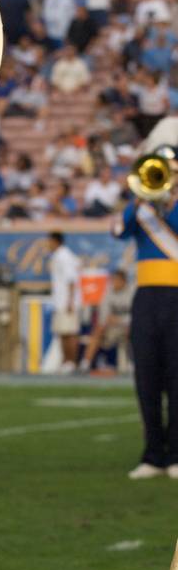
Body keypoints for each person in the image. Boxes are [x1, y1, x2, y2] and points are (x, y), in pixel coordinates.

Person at [113, 193, 178, 479]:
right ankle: (153, 455)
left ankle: (176, 455)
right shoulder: (142, 210)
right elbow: (118, 230)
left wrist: (170, 206)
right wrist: (138, 201)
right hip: (147, 298)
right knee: (147, 378)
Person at [79, 268, 133, 372]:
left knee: (132, 329)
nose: (115, 283)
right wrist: (105, 323)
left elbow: (137, 316)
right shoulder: (108, 292)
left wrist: (119, 320)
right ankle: (85, 363)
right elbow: (104, 316)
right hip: (112, 328)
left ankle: (131, 362)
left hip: (127, 327)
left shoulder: (132, 292)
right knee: (97, 330)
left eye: (117, 280)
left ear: (124, 281)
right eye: (114, 280)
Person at [47, 231, 82, 373]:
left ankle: (71, 362)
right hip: (60, 300)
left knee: (70, 332)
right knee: (62, 332)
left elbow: (71, 279)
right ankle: (65, 361)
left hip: (67, 301)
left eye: (49, 241)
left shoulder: (64, 256)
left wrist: (70, 301)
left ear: (56, 241)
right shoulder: (58, 256)